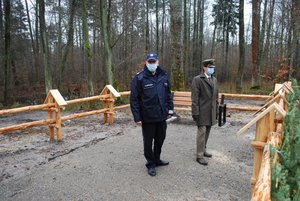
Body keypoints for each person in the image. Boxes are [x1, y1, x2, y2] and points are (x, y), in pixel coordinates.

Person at [130, 53, 174, 176]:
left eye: (154, 62)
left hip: (161, 116)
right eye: (150, 62)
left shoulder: (163, 76)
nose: (152, 64)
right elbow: (134, 99)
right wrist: (137, 117)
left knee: (160, 139)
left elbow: (168, 94)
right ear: (146, 63)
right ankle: (150, 163)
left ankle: (157, 159)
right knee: (148, 142)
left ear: (158, 62)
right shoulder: (139, 78)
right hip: (148, 117)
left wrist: (170, 109)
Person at [191, 59, 218, 165]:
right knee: (201, 133)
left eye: (213, 68)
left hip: (211, 111)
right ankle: (199, 155)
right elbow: (194, 98)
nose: (212, 69)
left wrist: (216, 109)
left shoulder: (214, 79)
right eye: (210, 67)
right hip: (201, 111)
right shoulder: (197, 79)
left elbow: (216, 96)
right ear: (204, 68)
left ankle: (203, 149)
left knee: (207, 131)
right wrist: (195, 112)